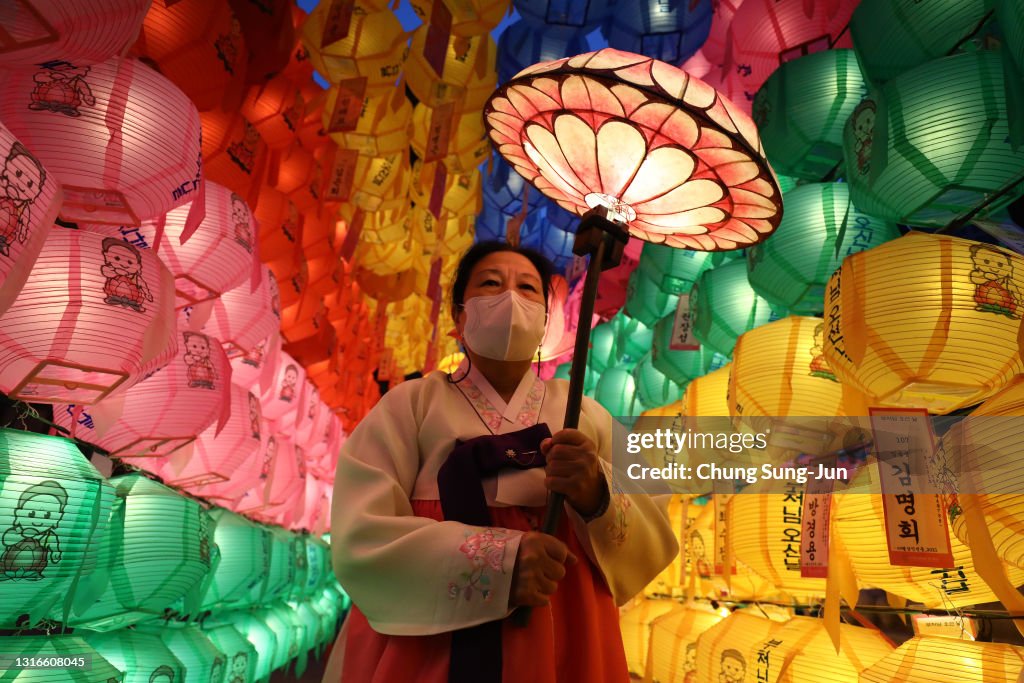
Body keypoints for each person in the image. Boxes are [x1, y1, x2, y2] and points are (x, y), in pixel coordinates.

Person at [324, 242, 678, 682]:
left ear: (546, 322)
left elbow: (655, 515)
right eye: (491, 284)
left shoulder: (584, 414)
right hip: (432, 640)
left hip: (566, 620)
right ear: (459, 316)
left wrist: (596, 491)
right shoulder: (410, 405)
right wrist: (499, 564)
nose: (511, 298)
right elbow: (362, 531)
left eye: (528, 288)